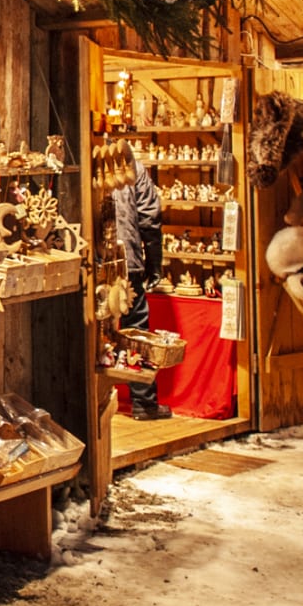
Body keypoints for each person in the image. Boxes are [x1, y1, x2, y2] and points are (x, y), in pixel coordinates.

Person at [113, 152, 171, 420]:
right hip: (127, 258)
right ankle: (144, 402)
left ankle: (97, 398)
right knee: (135, 328)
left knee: (91, 326)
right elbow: (149, 215)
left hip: (94, 256)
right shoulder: (130, 165)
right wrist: (154, 261)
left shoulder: (84, 159)